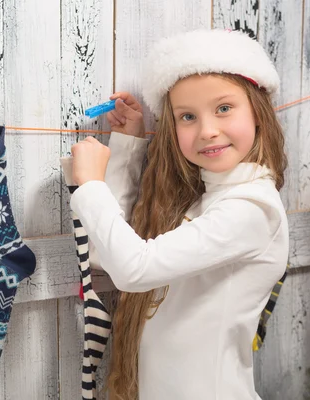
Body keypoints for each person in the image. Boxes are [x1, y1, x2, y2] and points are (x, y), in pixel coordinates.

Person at [68, 28, 289, 400]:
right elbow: (107, 253)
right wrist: (128, 144)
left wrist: (90, 185)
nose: (207, 131)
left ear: (258, 113)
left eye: (223, 108)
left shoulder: (253, 210)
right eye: (187, 116)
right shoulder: (204, 202)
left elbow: (133, 270)